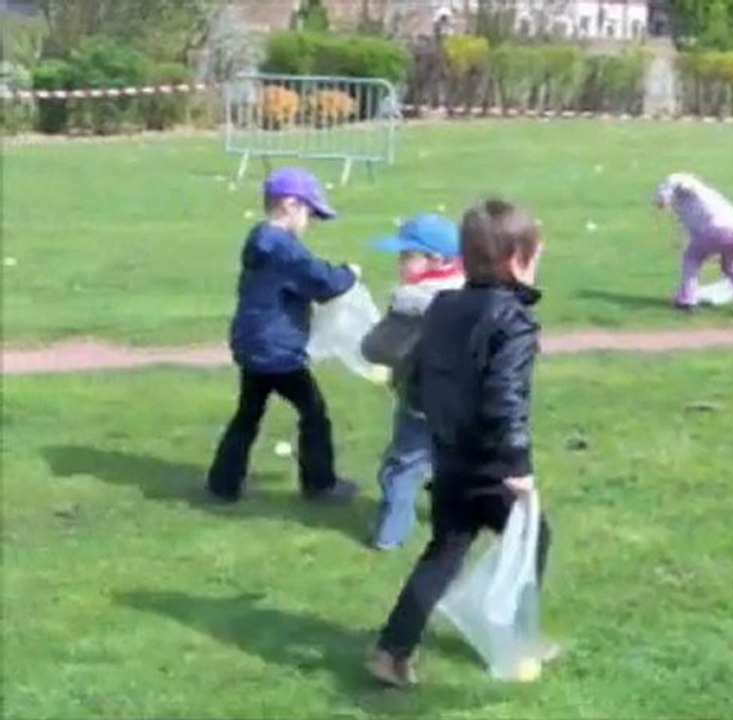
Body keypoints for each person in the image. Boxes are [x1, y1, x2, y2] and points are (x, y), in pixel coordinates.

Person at [368, 198, 557, 688]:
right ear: (518, 260)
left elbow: (426, 374)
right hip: (493, 463)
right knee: (532, 538)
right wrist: (516, 464)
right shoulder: (512, 319)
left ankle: (391, 652)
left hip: (448, 457)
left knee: (445, 550)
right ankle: (513, 637)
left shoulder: (444, 306)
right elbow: (504, 397)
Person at [205, 166, 360, 504]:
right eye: (308, 212)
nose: (309, 222)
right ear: (289, 205)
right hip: (277, 350)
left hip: (251, 344)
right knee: (313, 410)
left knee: (248, 413)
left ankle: (223, 483)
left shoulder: (258, 237)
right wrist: (349, 273)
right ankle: (320, 484)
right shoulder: (284, 249)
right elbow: (324, 282)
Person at [361, 213, 465, 551]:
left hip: (420, 401)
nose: (400, 263)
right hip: (463, 402)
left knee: (402, 466)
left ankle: (389, 534)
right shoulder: (474, 291)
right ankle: (462, 523)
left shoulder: (410, 299)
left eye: (407, 255)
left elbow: (376, 349)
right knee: (450, 463)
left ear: (436, 259)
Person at [655, 172, 733, 313]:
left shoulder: (681, 184)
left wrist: (664, 198)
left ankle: (687, 300)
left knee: (691, 259)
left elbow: (675, 182)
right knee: (731, 265)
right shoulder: (703, 198)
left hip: (716, 227)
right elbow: (693, 232)